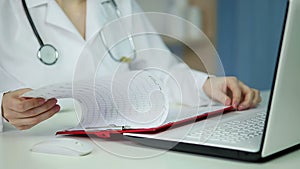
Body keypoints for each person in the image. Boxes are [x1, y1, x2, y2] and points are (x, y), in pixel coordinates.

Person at [0, 0, 261, 131]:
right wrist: (3, 108)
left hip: (120, 142)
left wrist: (206, 85)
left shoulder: (118, 3)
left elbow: (161, 70)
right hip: (35, 148)